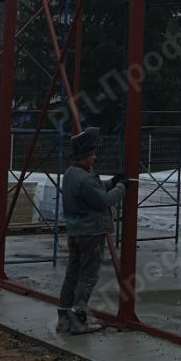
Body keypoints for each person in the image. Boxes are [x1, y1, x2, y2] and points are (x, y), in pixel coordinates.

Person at [57, 127, 125, 335]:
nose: (94, 157)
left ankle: (64, 319)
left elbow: (93, 190)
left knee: (72, 274)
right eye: (92, 154)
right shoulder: (85, 179)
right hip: (91, 233)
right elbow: (103, 201)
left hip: (75, 232)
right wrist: (122, 187)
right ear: (85, 156)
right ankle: (79, 320)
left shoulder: (71, 174)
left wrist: (112, 182)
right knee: (88, 276)